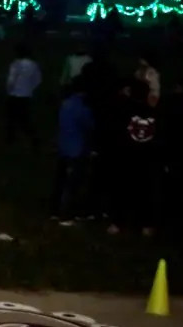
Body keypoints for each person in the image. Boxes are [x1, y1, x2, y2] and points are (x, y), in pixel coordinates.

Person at [108, 79, 163, 237]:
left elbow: (115, 132)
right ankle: (144, 225)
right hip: (146, 160)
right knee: (144, 192)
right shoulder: (154, 112)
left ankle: (117, 223)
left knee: (122, 190)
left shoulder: (122, 110)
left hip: (125, 158)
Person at [53, 79, 95, 223]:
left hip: (63, 147)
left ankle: (54, 210)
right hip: (77, 149)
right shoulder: (82, 108)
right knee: (73, 184)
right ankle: (66, 215)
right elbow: (89, 126)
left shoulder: (65, 104)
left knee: (60, 180)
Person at [5, 42, 42, 146]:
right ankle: (33, 136)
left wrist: (9, 90)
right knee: (25, 118)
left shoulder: (15, 64)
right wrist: (30, 88)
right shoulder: (33, 65)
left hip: (14, 95)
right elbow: (38, 80)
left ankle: (11, 138)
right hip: (26, 95)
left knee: (11, 118)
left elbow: (11, 80)